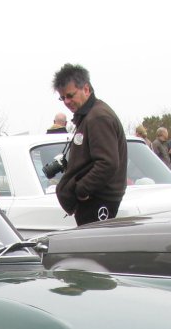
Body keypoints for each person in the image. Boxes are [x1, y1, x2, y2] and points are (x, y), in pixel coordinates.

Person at [51, 63, 127, 226]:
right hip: (93, 200)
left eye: (70, 95)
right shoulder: (88, 116)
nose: (66, 101)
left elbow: (107, 163)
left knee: (96, 243)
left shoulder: (98, 117)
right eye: (62, 98)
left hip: (98, 201)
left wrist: (82, 189)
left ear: (86, 89)